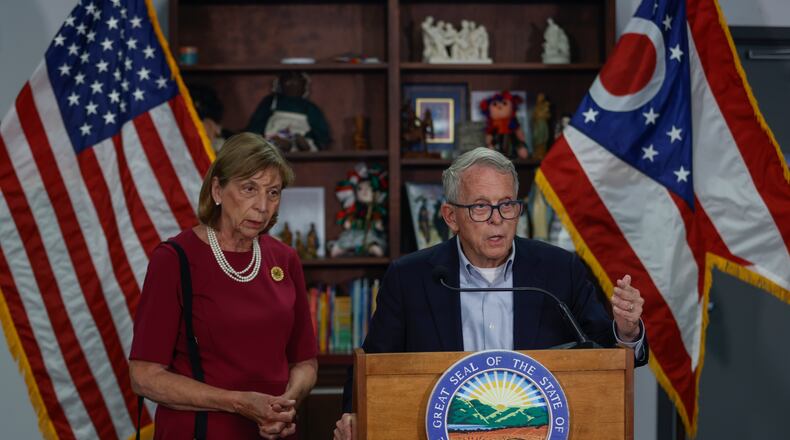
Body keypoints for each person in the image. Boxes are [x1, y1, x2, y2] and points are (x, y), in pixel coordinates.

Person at [333, 147, 648, 439]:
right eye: (481, 206)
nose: (497, 219)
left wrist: (626, 330)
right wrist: (353, 414)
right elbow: (371, 367)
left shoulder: (559, 270)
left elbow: (604, 358)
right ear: (450, 217)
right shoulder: (410, 278)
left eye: (507, 205)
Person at [129, 133, 318, 439]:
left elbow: (305, 362)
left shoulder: (285, 259)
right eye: (249, 189)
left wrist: (284, 404)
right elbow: (144, 377)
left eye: (273, 192)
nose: (262, 206)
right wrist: (238, 402)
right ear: (217, 189)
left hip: (273, 433)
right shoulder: (175, 260)